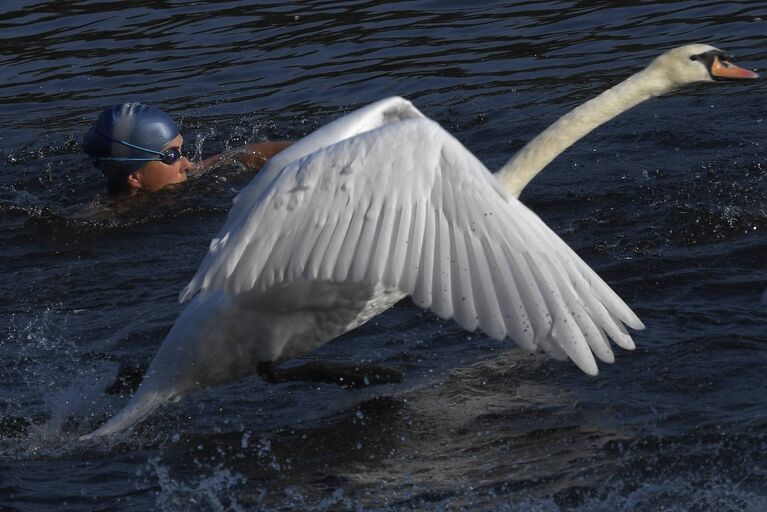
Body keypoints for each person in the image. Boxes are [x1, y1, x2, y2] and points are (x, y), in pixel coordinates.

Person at [83, 102, 291, 194]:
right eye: (172, 155)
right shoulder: (106, 222)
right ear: (135, 177)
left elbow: (246, 154)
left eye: (181, 151)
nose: (188, 165)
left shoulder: (186, 177)